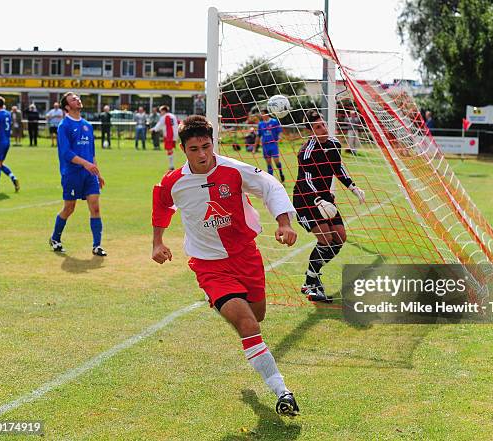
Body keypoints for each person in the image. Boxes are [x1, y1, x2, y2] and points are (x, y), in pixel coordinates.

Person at [151, 115, 300, 417]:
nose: (202, 155)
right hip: (209, 265)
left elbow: (270, 186)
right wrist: (157, 242)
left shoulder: (233, 170)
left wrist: (284, 222)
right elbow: (162, 205)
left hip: (245, 256)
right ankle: (282, 391)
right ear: (184, 149)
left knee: (256, 315)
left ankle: (228, 307)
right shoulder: (173, 181)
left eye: (206, 146)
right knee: (248, 324)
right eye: (194, 149)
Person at [292, 109, 366, 302]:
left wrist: (353, 187)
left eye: (323, 124)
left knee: (340, 238)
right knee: (325, 238)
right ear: (311, 131)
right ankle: (311, 283)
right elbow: (305, 179)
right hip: (306, 199)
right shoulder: (306, 152)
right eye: (318, 126)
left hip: (325, 198)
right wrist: (317, 199)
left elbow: (338, 168)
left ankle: (311, 277)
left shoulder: (334, 144)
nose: (323, 128)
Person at [49, 92, 107, 257]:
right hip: (72, 173)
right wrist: (85, 164)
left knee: (95, 207)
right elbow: (66, 153)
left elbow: (92, 152)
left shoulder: (87, 125)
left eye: (77, 98)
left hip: (89, 175)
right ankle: (55, 238)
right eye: (73, 99)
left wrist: (97, 172)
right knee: (69, 208)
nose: (78, 100)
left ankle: (97, 246)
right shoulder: (64, 126)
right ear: (67, 106)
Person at [255, 109, 285, 182]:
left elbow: (280, 131)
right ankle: (271, 180)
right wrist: (255, 147)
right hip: (265, 145)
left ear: (267, 114)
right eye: (261, 114)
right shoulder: (260, 124)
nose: (262, 115)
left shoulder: (274, 122)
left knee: (276, 161)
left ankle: (281, 173)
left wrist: (280, 138)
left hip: (273, 144)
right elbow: (258, 136)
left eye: (263, 114)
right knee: (268, 162)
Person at [151, 105, 179, 170]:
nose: (160, 113)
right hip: (175, 135)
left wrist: (154, 129)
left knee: (169, 150)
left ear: (164, 111)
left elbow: (160, 124)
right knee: (170, 150)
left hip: (169, 135)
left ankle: (171, 166)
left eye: (160, 111)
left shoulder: (165, 116)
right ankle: (171, 165)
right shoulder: (173, 115)